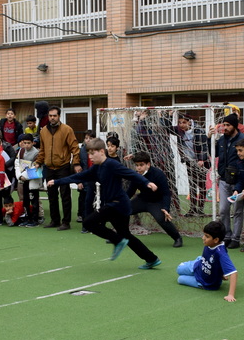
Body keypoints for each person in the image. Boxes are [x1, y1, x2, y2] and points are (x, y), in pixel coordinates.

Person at [48, 138, 161, 269]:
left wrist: (146, 182)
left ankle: (117, 241)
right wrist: (57, 182)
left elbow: (130, 174)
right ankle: (152, 259)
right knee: (126, 235)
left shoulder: (112, 164)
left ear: (102, 151)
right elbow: (79, 176)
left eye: (92, 153)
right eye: (88, 154)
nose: (90, 157)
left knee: (88, 222)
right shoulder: (97, 168)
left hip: (118, 205)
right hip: (116, 205)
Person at [34, 105, 82, 230]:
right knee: (52, 196)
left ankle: (66, 222)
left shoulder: (67, 129)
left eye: (55, 115)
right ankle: (54, 221)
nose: (52, 118)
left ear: (59, 116)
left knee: (65, 196)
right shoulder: (43, 131)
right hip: (49, 167)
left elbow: (75, 148)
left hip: (63, 167)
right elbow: (42, 149)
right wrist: (38, 161)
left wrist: (76, 163)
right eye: (50, 116)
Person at [129, 151, 183, 248]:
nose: (138, 168)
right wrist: (120, 201)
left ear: (148, 164)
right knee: (122, 210)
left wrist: (166, 208)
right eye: (137, 165)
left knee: (162, 219)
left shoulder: (158, 174)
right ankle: (121, 236)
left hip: (156, 202)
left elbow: (166, 193)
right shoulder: (135, 175)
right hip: (142, 200)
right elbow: (130, 192)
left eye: (141, 165)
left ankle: (177, 238)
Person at [176, 220, 238, 302]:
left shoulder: (221, 253)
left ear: (216, 240)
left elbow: (234, 273)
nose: (203, 238)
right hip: (199, 266)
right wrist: (222, 274)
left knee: (180, 279)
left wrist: (230, 295)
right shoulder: (210, 243)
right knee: (179, 269)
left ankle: (199, 277)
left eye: (207, 236)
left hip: (206, 282)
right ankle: (197, 261)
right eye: (204, 235)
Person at [215, 113, 244, 249]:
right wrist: (208, 138)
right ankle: (227, 235)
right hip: (224, 179)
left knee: (238, 210)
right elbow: (213, 152)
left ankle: (236, 238)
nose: (225, 127)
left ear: (235, 126)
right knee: (224, 209)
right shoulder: (221, 140)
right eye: (224, 125)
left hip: (239, 181)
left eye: (228, 125)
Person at [176, 114, 210, 215]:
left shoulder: (199, 131)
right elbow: (168, 128)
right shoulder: (180, 132)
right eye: (180, 123)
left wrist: (201, 159)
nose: (181, 125)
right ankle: (192, 209)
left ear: (189, 122)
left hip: (201, 162)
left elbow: (204, 146)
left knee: (201, 185)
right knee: (192, 185)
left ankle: (200, 209)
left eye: (184, 122)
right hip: (190, 162)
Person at [16, 134, 43, 227]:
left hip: (34, 180)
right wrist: (19, 176)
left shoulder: (36, 153)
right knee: (26, 200)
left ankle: (35, 219)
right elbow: (18, 164)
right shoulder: (21, 151)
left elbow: (35, 168)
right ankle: (28, 218)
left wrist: (24, 176)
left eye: (28, 143)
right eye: (25, 143)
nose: (26, 145)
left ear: (33, 143)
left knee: (34, 199)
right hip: (24, 179)